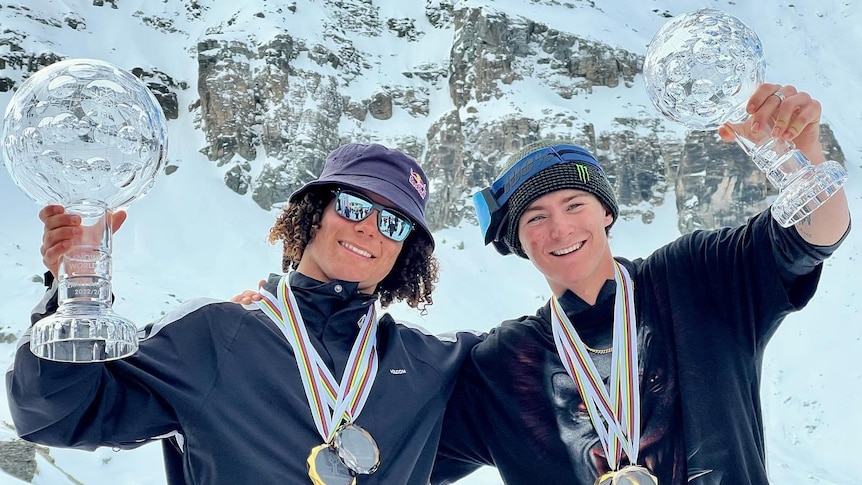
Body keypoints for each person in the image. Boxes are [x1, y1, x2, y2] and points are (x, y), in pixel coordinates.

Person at [430, 83, 851, 485]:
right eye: (536, 218)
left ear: (606, 214)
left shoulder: (694, 279)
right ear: (519, 242)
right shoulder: (505, 364)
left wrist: (801, 163)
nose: (560, 229)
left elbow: (810, 238)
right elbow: (392, 448)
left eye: (575, 204)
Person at [7, 143, 483, 484]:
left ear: (405, 251)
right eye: (354, 205)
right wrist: (75, 289)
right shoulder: (214, 335)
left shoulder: (433, 366)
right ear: (314, 213)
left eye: (394, 222)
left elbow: (549, 362)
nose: (370, 230)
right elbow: (58, 415)